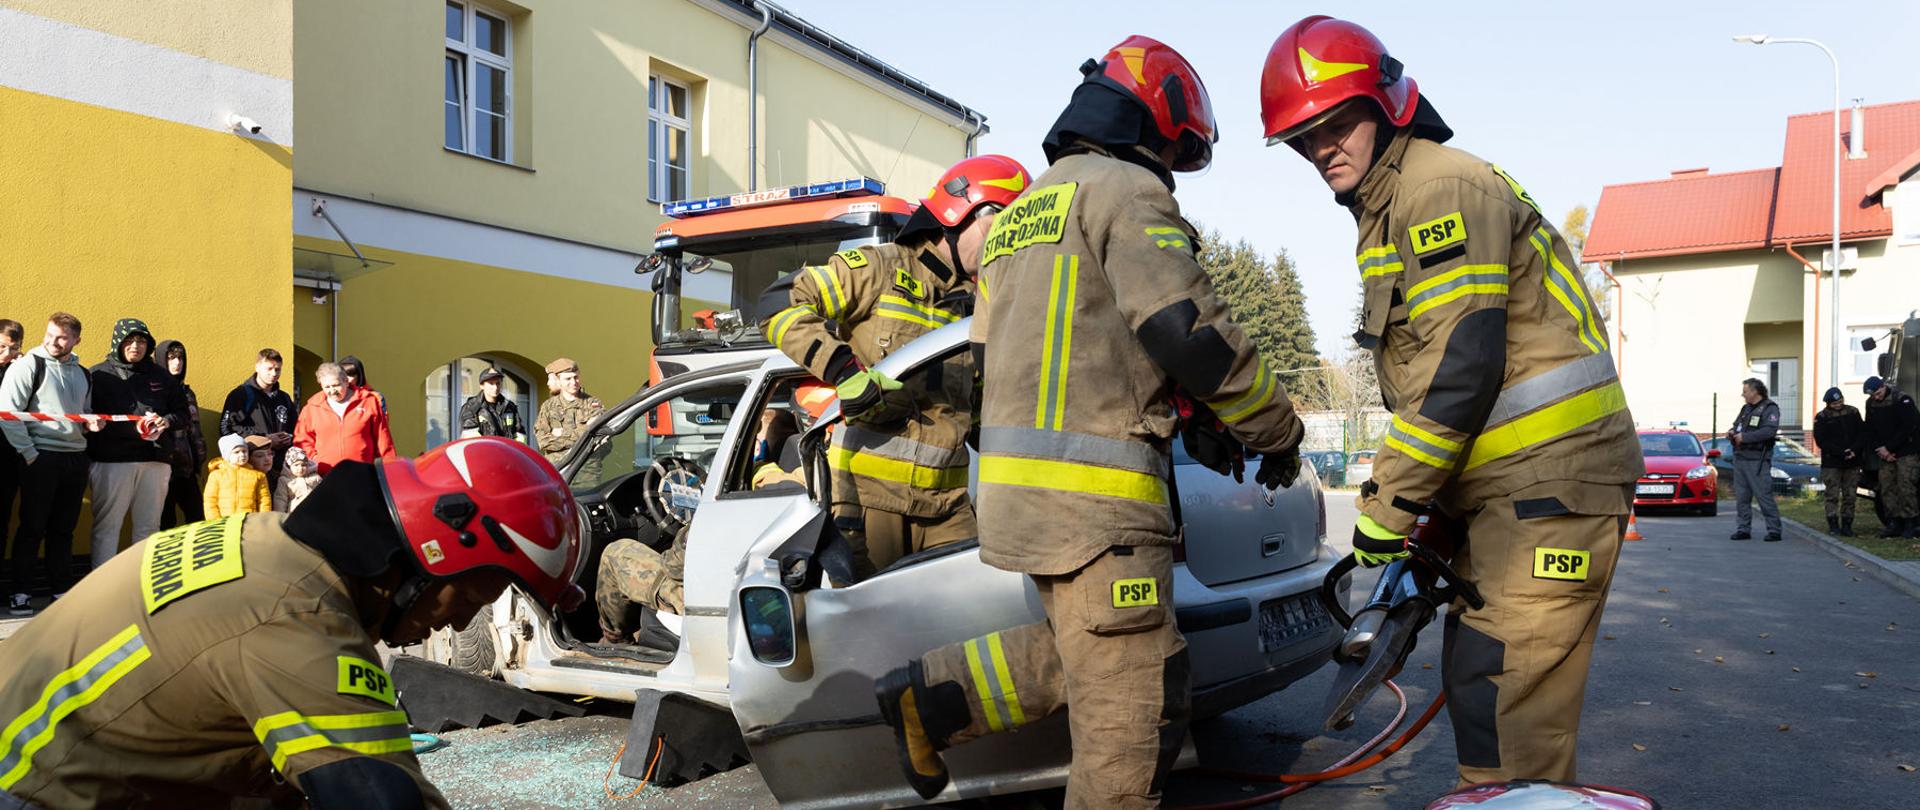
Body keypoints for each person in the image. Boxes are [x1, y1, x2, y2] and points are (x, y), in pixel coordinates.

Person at [874, 38, 1305, 806]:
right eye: (1175, 150)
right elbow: (1186, 331)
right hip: (1098, 507)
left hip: (1027, 502)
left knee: (1110, 654)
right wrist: (1275, 428)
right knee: (1129, 721)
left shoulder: (1020, 218)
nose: (1171, 166)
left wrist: (1189, 416)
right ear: (1157, 125)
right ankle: (933, 699)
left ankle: (934, 697)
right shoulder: (1125, 192)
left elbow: (1051, 356)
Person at [1259, 16, 1643, 786]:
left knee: (1508, 698)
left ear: (1388, 103)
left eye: (1339, 122)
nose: (1321, 146)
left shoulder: (1436, 187)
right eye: (1303, 136)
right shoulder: (1389, 206)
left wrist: (1388, 508)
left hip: (1549, 485)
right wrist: (1438, 506)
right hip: (1513, 488)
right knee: (1482, 677)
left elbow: (1459, 364)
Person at [0, 437, 584, 809]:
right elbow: (382, 800)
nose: (461, 623)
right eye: (474, 594)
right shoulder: (297, 619)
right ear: (433, 554)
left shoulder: (272, 543)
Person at [758, 154, 1030, 577]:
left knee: (966, 621)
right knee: (876, 631)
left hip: (947, 508)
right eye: (1002, 230)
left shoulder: (978, 307)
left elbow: (973, 409)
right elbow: (779, 302)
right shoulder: (879, 269)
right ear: (963, 213)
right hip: (870, 502)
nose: (1006, 248)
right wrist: (845, 373)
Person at [0, 313, 104, 617]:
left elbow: (82, 414)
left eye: (61, 337)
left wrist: (91, 425)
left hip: (75, 458)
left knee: (63, 529)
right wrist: (29, 453)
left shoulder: (83, 373)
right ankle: (21, 592)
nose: (52, 342)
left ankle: (61, 591)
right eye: (49, 334)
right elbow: (7, 413)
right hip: (41, 456)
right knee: (32, 527)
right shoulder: (29, 365)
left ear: (76, 340)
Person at [86, 318, 190, 569]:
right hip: (112, 461)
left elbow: (182, 413)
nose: (136, 346)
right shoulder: (98, 374)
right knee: (107, 527)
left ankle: (143, 584)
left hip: (155, 461)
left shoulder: (162, 376)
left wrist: (166, 421)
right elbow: (86, 414)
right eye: (130, 340)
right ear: (118, 342)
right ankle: (102, 587)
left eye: (141, 341)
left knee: (149, 528)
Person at [295, 362, 398, 476]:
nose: (332, 391)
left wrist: (389, 470)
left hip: (362, 474)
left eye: (336, 385)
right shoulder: (312, 407)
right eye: (327, 387)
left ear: (346, 381)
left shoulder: (368, 402)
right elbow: (302, 440)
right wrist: (314, 460)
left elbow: (383, 439)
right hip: (324, 476)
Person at [220, 348, 297, 483]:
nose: (274, 373)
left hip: (280, 468)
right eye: (269, 369)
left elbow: (296, 427)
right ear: (257, 367)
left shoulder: (284, 398)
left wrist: (288, 437)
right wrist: (264, 439)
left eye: (278, 369)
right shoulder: (240, 395)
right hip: (249, 468)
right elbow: (227, 428)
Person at [154, 339, 208, 529]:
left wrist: (199, 460)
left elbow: (195, 430)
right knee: (166, 522)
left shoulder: (187, 392)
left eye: (180, 358)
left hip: (187, 468)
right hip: (163, 466)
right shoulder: (155, 390)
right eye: (171, 358)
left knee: (197, 519)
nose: (177, 363)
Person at [1862, 375, 1920, 538]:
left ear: (1883, 387)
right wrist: (1881, 450)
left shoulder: (1902, 400)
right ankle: (1893, 522)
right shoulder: (1871, 404)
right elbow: (1870, 429)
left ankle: (1911, 522)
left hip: (1905, 451)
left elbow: (1910, 426)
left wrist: (1890, 448)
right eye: (1873, 395)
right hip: (1885, 453)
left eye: (1878, 393)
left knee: (1906, 486)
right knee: (1886, 487)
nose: (1876, 397)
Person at [1726, 378, 1783, 542]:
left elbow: (1769, 431)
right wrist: (1732, 432)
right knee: (1742, 497)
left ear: (1754, 391)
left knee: (1763, 496)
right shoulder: (1746, 409)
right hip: (1740, 458)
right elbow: (1737, 425)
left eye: (1745, 391)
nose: (1742, 395)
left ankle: (1774, 530)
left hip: (1757, 460)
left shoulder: (1769, 408)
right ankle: (1743, 528)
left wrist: (1745, 437)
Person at [533, 357, 603, 474]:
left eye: (576, 377)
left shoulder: (593, 404)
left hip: (587, 471)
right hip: (557, 469)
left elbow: (597, 436)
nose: (573, 382)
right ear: (559, 381)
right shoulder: (548, 406)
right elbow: (543, 442)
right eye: (568, 379)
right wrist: (582, 434)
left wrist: (560, 434)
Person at [1813, 386, 1865, 536]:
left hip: (1852, 461)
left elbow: (1861, 433)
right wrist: (1840, 453)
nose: (1838, 405)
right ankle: (1833, 524)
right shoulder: (1822, 417)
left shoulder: (1853, 412)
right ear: (1828, 404)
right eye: (1834, 404)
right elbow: (1821, 440)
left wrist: (1854, 450)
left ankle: (1847, 525)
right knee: (1832, 494)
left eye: (1840, 401)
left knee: (1850, 495)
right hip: (1832, 462)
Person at [0, 319, 23, 575]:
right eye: (1, 348)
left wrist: (18, 371)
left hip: (8, 458)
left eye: (13, 349)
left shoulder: (19, 372)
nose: (7, 355)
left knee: (3, 521)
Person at [205, 434, 272, 519]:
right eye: (236, 452)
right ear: (227, 455)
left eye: (244, 451)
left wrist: (263, 519)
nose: (242, 455)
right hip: (224, 522)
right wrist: (214, 521)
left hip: (250, 521)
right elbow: (210, 500)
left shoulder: (258, 476)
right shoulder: (216, 475)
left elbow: (264, 500)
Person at [459, 366, 524, 440]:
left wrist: (515, 450)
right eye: (491, 383)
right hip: (484, 451)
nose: (495, 387)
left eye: (498, 383)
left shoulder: (510, 407)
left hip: (507, 451)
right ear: (481, 385)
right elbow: (472, 441)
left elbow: (520, 435)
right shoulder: (471, 408)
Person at [275, 446, 323, 512]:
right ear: (289, 466)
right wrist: (280, 515)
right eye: (296, 465)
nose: (300, 468)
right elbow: (281, 499)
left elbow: (323, 493)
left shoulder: (314, 477)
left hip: (315, 511)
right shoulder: (284, 480)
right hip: (295, 514)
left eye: (303, 465)